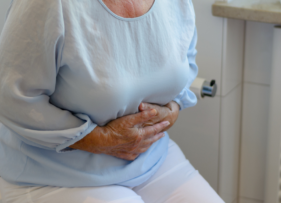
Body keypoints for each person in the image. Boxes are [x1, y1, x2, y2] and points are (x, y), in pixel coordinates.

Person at [0, 0, 225, 202]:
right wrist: (101, 139)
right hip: (54, 174)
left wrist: (172, 109)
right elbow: (11, 97)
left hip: (151, 158)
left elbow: (185, 59)